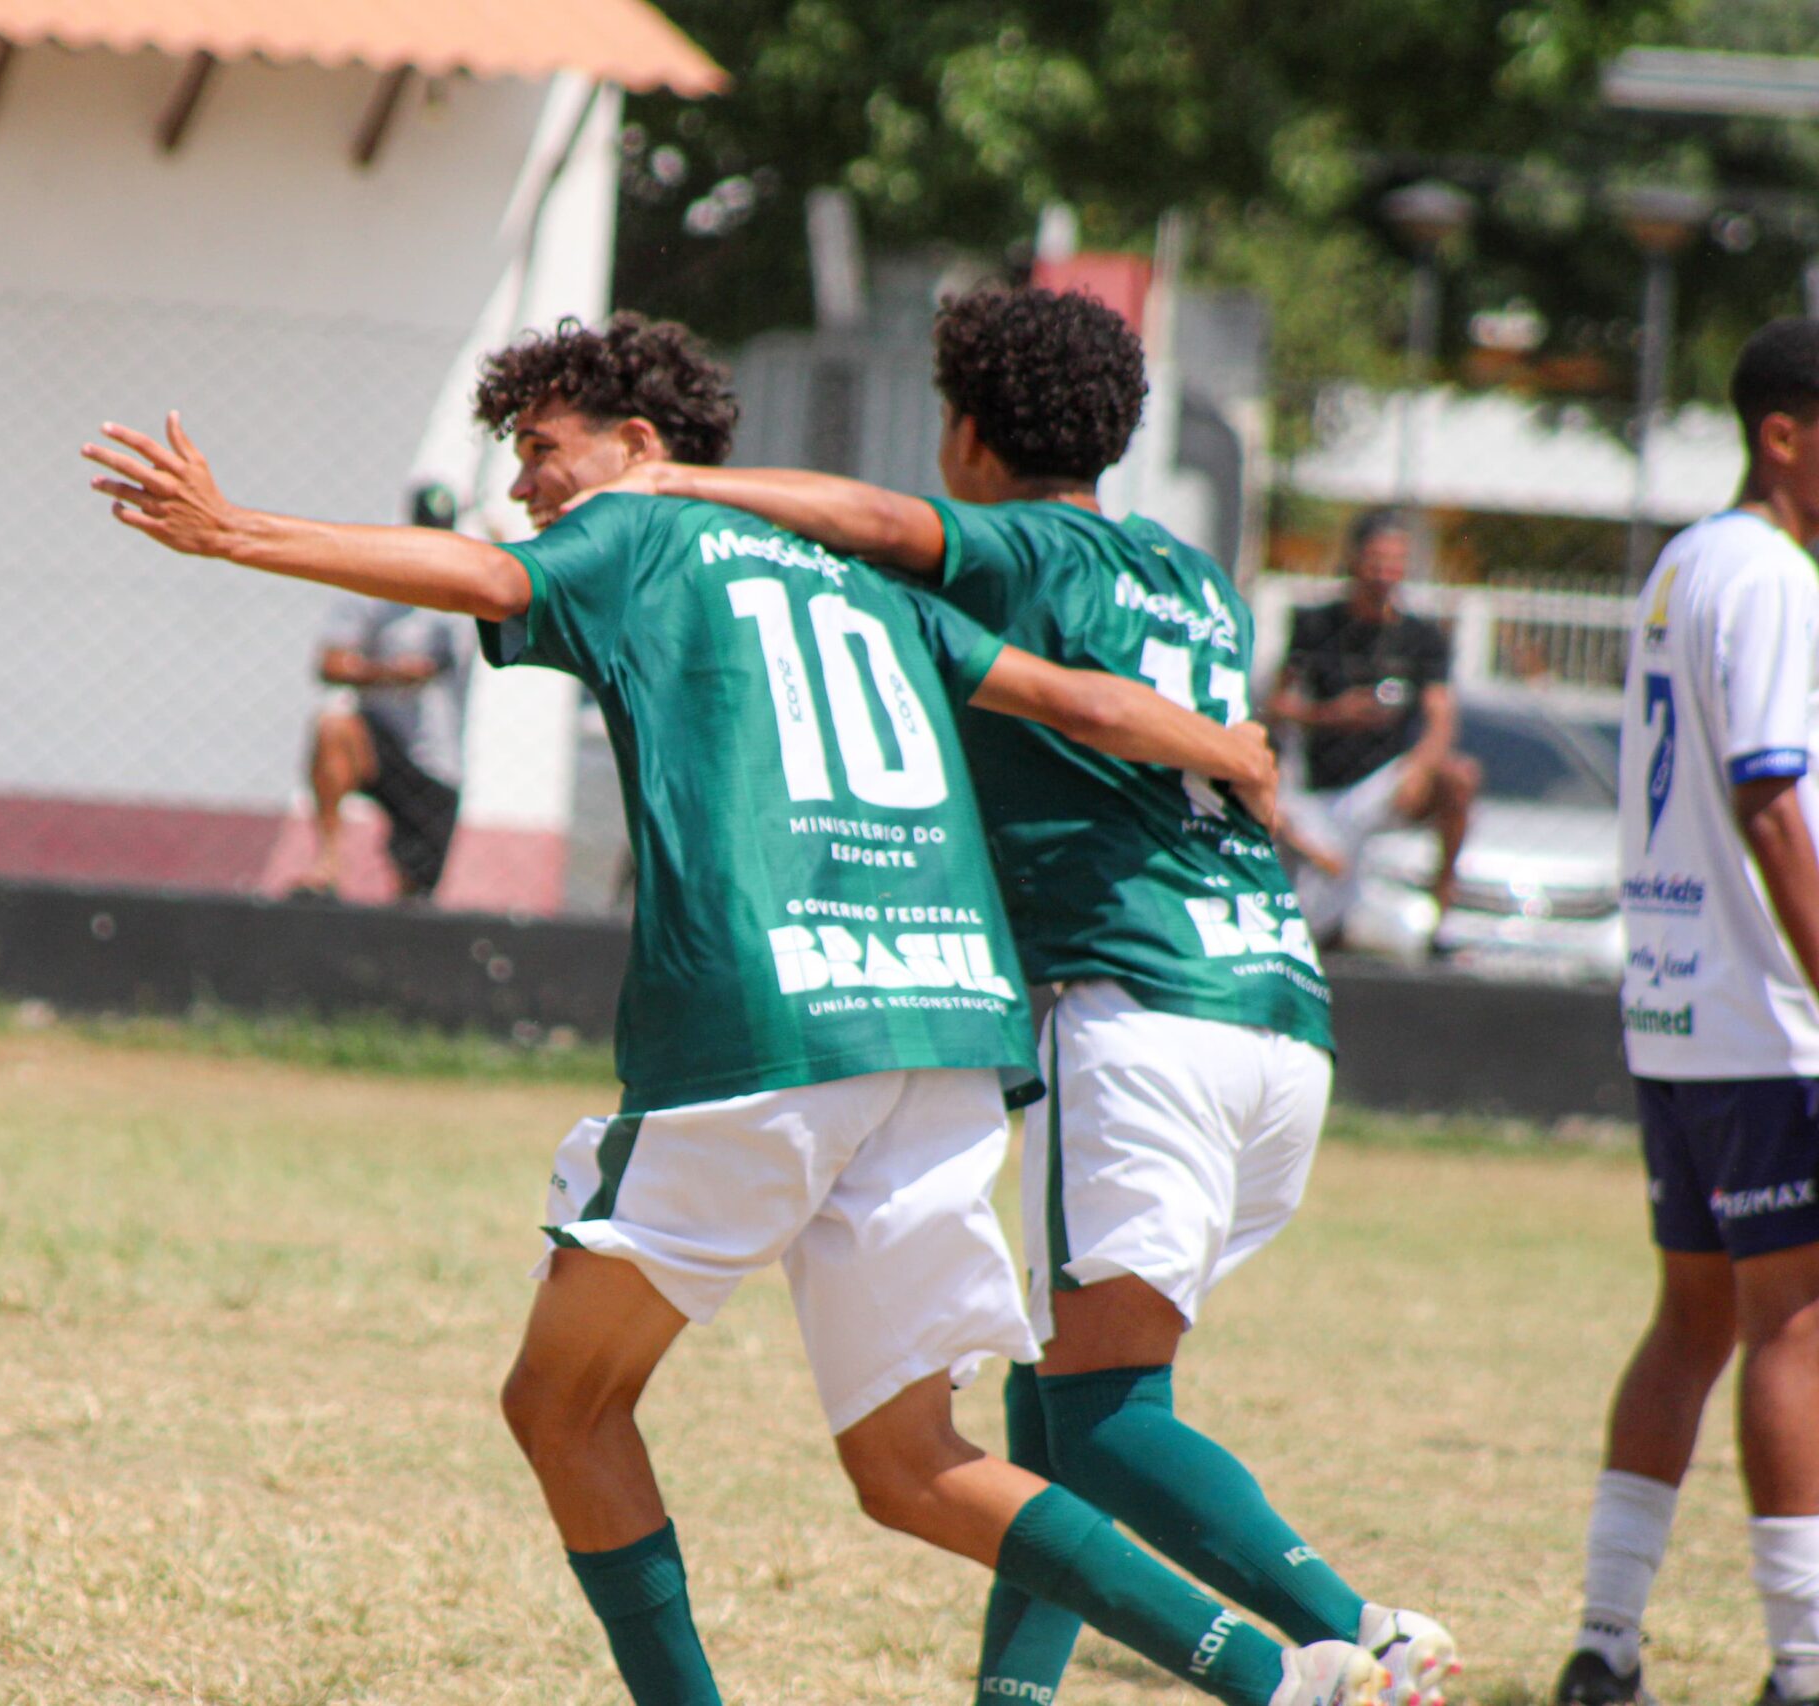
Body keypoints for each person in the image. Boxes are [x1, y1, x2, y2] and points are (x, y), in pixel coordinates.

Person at [85, 312, 1392, 1706]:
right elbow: (1065, 695)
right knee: (913, 1465)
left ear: (640, 449)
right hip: (946, 1035)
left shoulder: (637, 529)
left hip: (776, 1027)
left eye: (542, 449)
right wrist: (1230, 744)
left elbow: (475, 573)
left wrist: (237, 532)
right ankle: (1281, 1675)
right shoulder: (851, 579)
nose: (526, 485)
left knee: (562, 1404)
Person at [573, 286, 1457, 1705]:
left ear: (969, 429)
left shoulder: (1023, 547)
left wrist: (669, 478)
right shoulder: (1191, 576)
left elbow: (871, 524)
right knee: (1055, 1392)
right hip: (1277, 1008)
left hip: (1135, 1007)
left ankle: (1361, 1635)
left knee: (1102, 1414)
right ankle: (1018, 1695)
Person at [1553, 318, 1819, 1706]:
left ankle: (1605, 1643)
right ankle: (1803, 1659)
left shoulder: (1682, 565)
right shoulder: (1773, 576)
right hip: (1770, 1017)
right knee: (1795, 1327)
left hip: (1675, 1006)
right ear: (1784, 433)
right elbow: (1772, 799)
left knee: (1694, 1322)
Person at [1267, 510, 1479, 942]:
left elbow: (1441, 718)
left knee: (1459, 777)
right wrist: (1331, 714)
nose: (1385, 572)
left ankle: (1443, 902)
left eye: (1395, 561)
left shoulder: (1422, 638)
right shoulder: (1315, 625)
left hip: (1385, 782)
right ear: (1355, 558)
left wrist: (1421, 767)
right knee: (1311, 921)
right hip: (1322, 784)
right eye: (1376, 558)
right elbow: (1276, 704)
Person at [295, 485, 471, 901]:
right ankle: (329, 863)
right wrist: (390, 675)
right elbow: (330, 663)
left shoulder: (470, 592)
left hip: (438, 760)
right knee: (333, 726)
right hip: (381, 739)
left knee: (416, 895)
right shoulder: (375, 588)